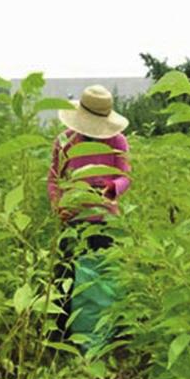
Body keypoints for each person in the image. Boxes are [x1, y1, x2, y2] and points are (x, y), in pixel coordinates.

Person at [47, 85, 131, 339]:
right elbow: (53, 178)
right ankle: (60, 336)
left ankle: (105, 334)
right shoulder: (64, 141)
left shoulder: (117, 141)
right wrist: (58, 205)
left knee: (103, 278)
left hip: (104, 220)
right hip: (72, 218)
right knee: (66, 276)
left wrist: (111, 189)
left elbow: (126, 176)